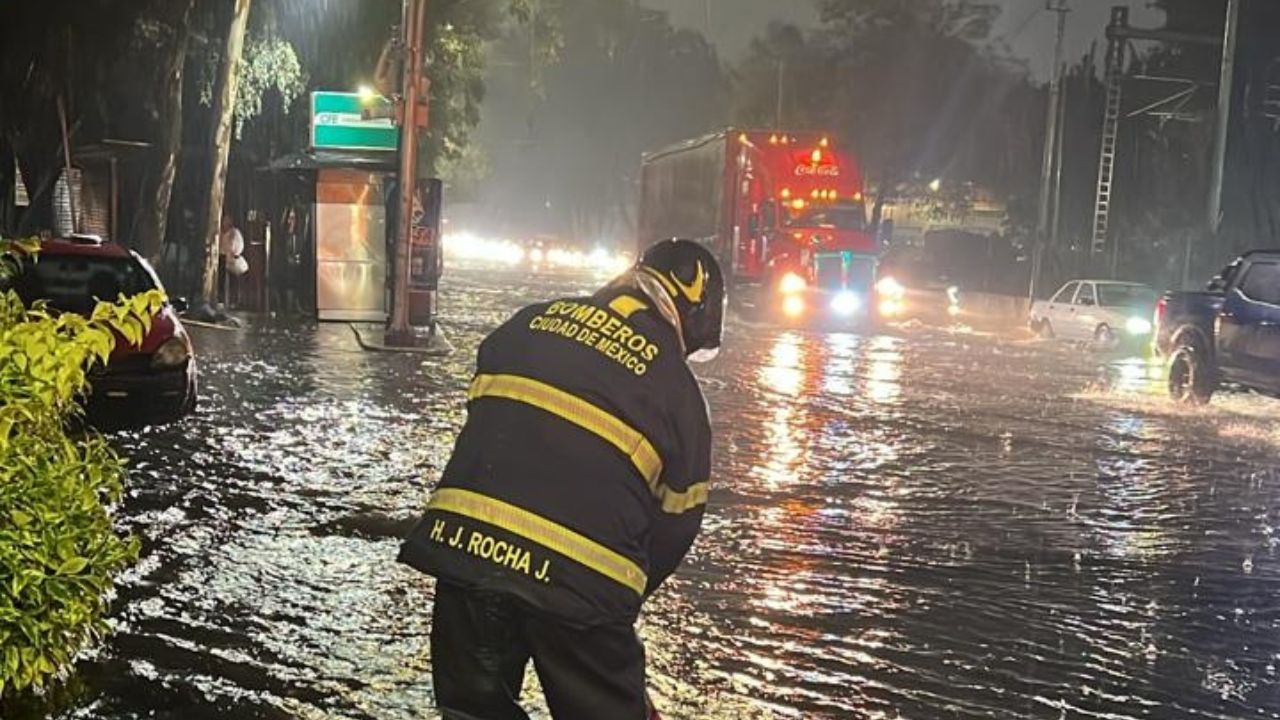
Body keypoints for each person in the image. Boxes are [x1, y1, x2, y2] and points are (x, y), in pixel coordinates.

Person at [399, 239, 726, 720]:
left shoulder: (526, 323)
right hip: (581, 584)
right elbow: (675, 527)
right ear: (693, 314)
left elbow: (490, 430)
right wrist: (612, 606)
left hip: (463, 552)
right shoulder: (679, 393)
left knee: (472, 711)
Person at [218, 212, 245, 308]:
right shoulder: (221, 232)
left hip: (232, 259)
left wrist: (231, 253)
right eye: (224, 220)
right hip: (222, 257)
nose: (225, 223)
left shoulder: (234, 232)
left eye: (227, 220)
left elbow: (235, 246)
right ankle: (220, 299)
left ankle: (234, 301)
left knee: (233, 280)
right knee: (220, 277)